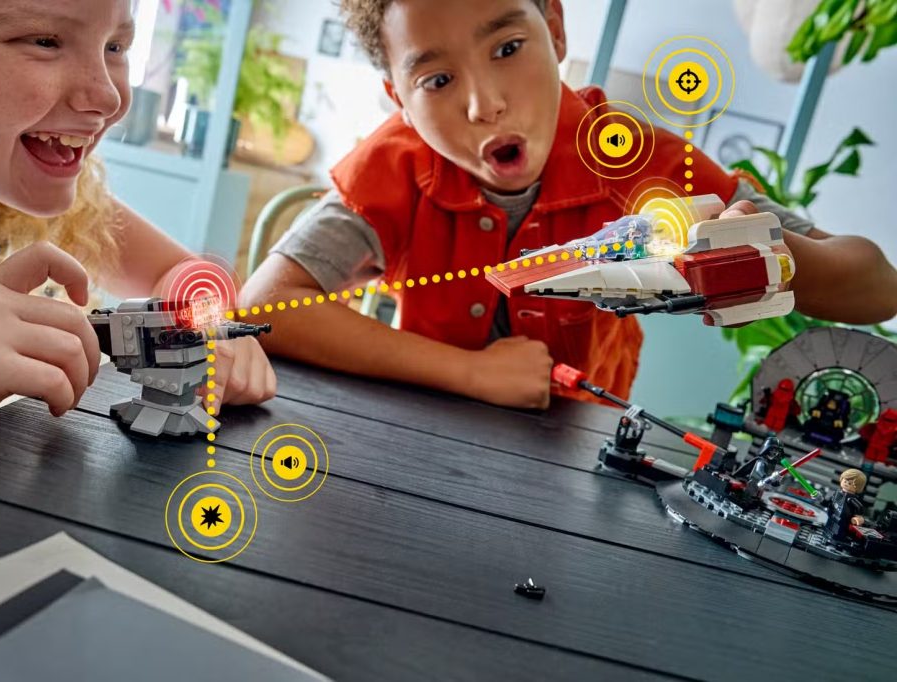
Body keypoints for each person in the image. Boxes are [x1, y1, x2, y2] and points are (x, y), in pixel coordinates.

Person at [239, 0, 897, 411]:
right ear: (398, 99)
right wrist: (471, 374)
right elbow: (266, 304)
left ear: (554, 27)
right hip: (423, 424)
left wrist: (767, 256)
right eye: (437, 80)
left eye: (507, 48)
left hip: (582, 444)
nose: (484, 103)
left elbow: (876, 287)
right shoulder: (395, 164)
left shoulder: (644, 163)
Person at [0, 0, 276, 460]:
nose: (108, 98)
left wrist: (201, 329)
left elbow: (186, 274)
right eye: (45, 41)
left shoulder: (12, 191)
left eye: (115, 46)